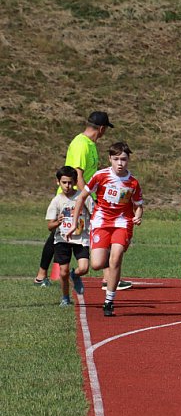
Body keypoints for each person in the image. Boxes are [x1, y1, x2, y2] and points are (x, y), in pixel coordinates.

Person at [34, 111, 133, 291]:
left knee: (64, 234)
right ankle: (42, 275)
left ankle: (106, 277)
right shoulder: (81, 144)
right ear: (101, 129)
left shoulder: (91, 144)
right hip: (73, 195)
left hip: (82, 195)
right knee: (61, 235)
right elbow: (78, 174)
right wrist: (86, 198)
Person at [67, 142, 143, 317]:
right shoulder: (100, 176)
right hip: (101, 222)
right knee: (97, 264)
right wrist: (74, 222)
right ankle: (106, 253)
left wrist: (138, 215)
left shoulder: (132, 182)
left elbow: (138, 206)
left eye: (123, 159)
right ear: (109, 159)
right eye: (116, 159)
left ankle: (109, 301)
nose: (120, 163)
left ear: (128, 160)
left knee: (115, 260)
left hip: (122, 223)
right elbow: (81, 198)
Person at [45, 166, 92, 307]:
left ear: (76, 182)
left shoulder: (83, 197)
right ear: (58, 182)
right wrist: (57, 222)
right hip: (62, 239)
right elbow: (49, 226)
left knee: (84, 268)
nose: (67, 186)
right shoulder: (57, 201)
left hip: (81, 238)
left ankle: (75, 275)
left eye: (70, 182)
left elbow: (95, 213)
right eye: (64, 182)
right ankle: (65, 298)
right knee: (63, 272)